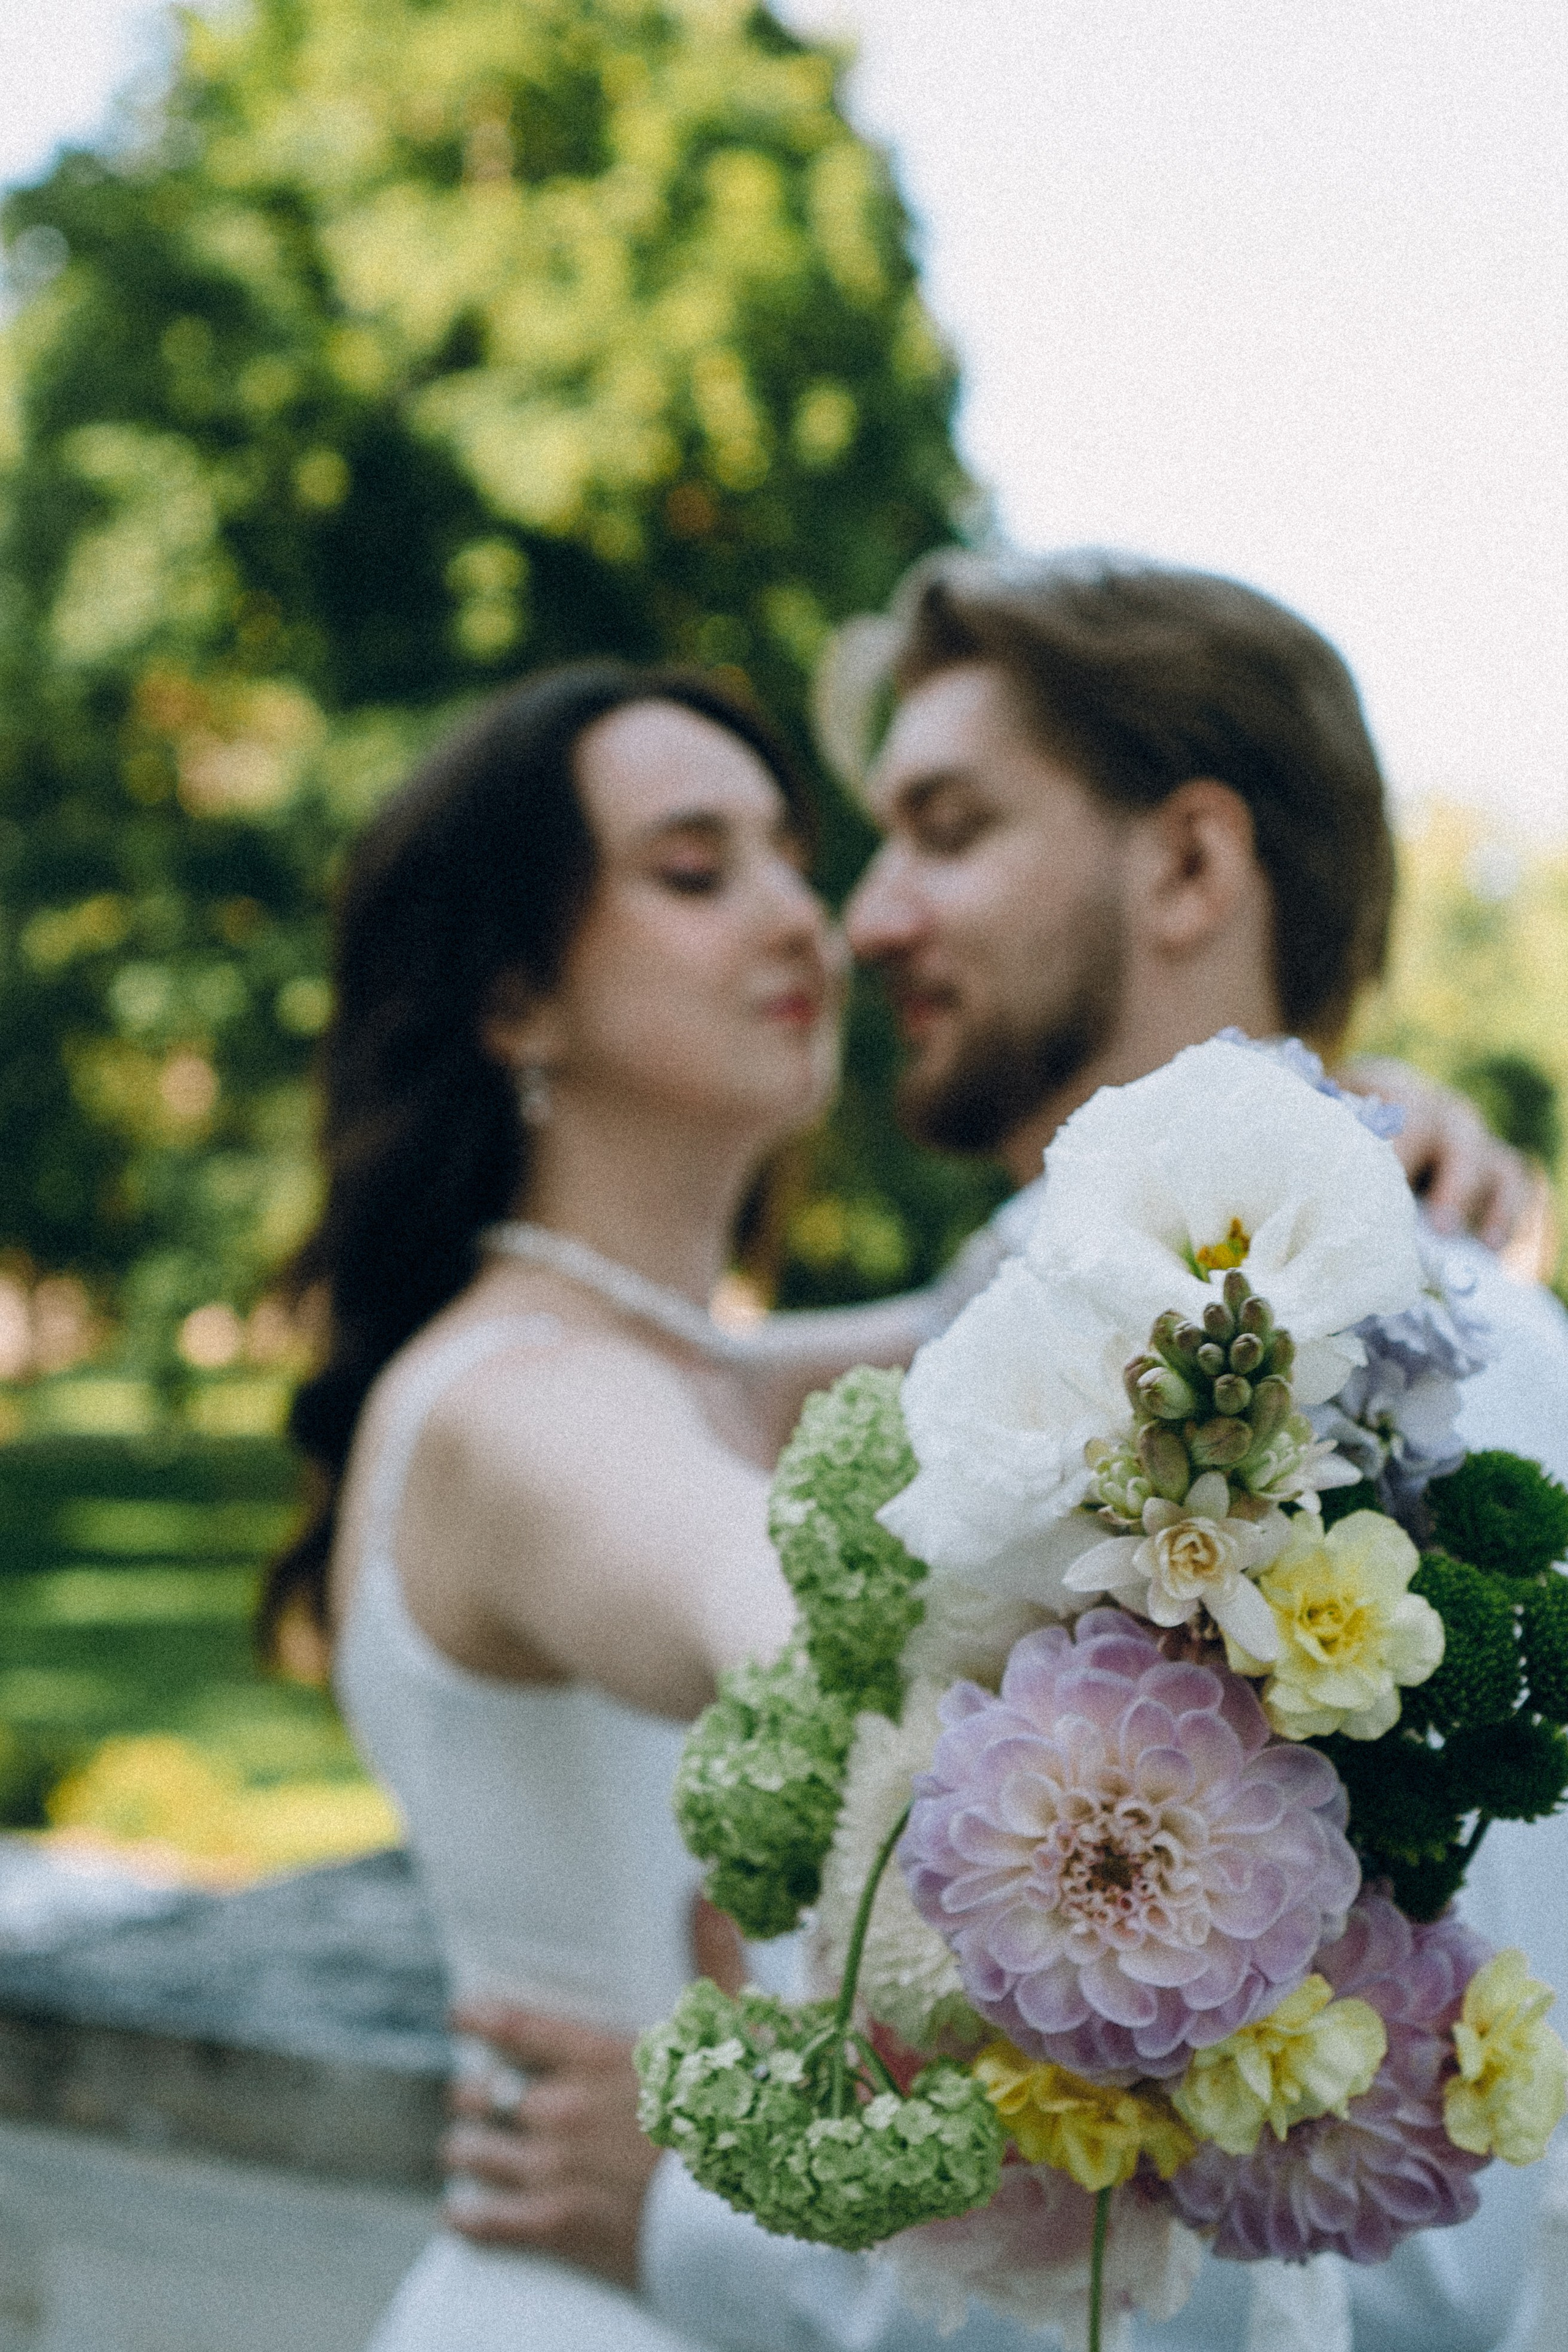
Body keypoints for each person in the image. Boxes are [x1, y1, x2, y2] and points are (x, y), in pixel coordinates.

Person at [458, 555, 1568, 2352]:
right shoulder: (1007, 1328)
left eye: (947, 831)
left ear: (1192, 866)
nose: (863, 918)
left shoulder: (1444, 1391)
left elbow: (1403, 2270)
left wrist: (700, 2227)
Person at [261, 659, 854, 2350]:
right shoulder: (519, 1411)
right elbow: (809, 1634)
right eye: (695, 870)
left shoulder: (724, 1374)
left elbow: (1053, 1292)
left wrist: (1368, 1140)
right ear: (518, 999)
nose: (800, 918)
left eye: (789, 855)